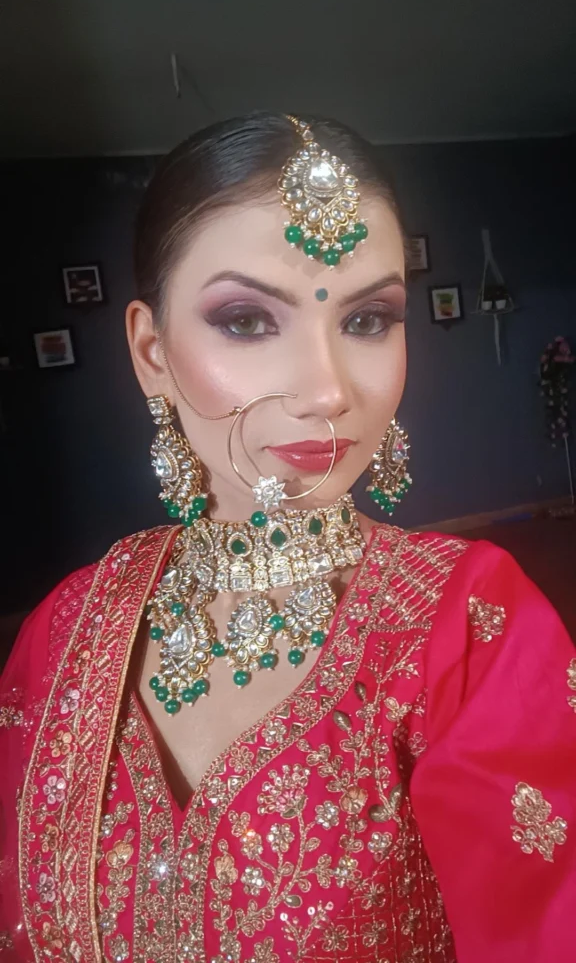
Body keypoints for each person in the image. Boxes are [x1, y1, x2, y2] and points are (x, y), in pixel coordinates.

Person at [1, 112, 574, 963]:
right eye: (245, 320)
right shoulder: (65, 632)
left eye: (368, 319)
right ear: (152, 353)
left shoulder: (472, 630)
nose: (328, 390)